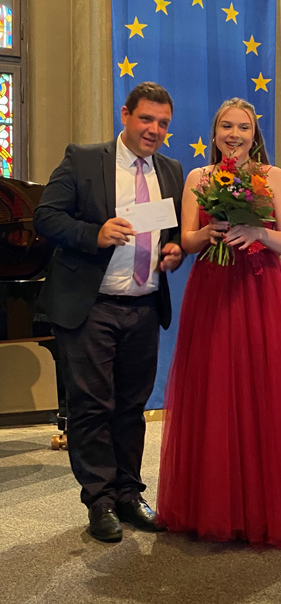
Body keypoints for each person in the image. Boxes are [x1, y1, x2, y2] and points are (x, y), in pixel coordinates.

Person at [156, 97, 281, 548]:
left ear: (255, 135)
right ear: (215, 133)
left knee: (261, 386)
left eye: (244, 127)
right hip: (212, 288)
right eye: (227, 126)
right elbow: (187, 240)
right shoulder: (199, 178)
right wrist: (207, 233)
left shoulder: (273, 177)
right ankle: (210, 506)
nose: (235, 135)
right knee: (212, 386)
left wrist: (256, 232)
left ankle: (265, 511)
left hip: (259, 286)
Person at [34, 81, 184, 543]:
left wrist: (174, 251)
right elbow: (46, 217)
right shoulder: (83, 159)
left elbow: (172, 233)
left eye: (163, 123)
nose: (154, 129)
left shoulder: (172, 170)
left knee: (132, 406)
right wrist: (94, 234)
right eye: (146, 119)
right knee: (92, 407)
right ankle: (99, 501)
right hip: (91, 306)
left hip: (144, 305)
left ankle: (129, 494)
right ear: (125, 115)